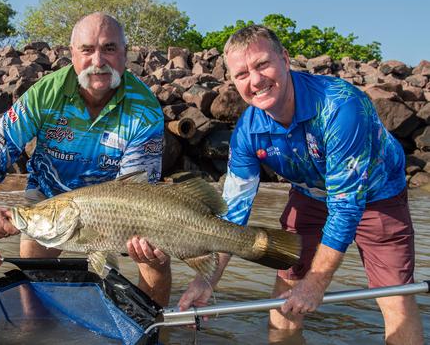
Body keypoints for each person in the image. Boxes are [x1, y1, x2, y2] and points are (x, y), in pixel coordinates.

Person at [177, 25, 423, 343]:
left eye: (262, 64)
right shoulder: (247, 132)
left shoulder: (340, 106)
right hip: (309, 194)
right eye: (241, 74)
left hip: (378, 194)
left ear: (285, 58)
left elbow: (346, 206)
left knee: (396, 297)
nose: (255, 80)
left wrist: (318, 281)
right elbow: (233, 213)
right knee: (287, 294)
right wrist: (207, 279)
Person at [0, 12, 171, 306]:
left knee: (155, 261)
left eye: (109, 48)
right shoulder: (45, 94)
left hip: (115, 209)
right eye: (87, 50)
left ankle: (152, 330)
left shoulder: (145, 110)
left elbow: (135, 189)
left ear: (125, 54)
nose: (98, 61)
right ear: (72, 54)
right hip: (49, 202)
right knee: (34, 297)